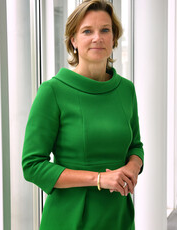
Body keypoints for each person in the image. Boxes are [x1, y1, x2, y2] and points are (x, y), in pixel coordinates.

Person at [21, 0, 144, 229]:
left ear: (114, 39)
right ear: (73, 41)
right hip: (70, 218)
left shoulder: (126, 90)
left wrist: (132, 167)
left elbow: (135, 146)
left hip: (118, 216)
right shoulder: (53, 91)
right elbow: (32, 165)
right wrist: (98, 179)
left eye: (105, 30)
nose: (97, 37)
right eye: (87, 31)